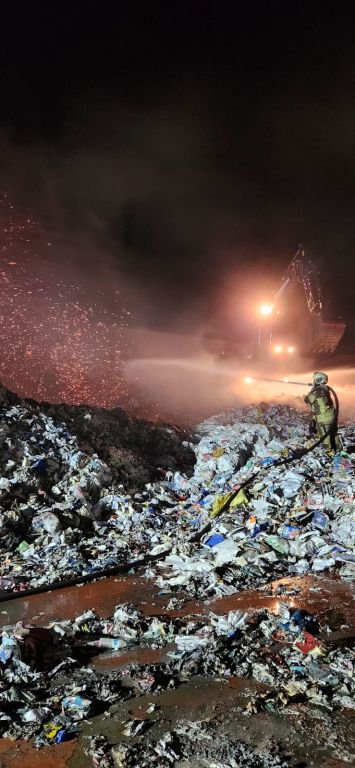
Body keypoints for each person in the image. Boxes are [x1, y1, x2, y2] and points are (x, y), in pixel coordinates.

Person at [304, 371, 341, 452]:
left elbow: (308, 400)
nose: (313, 381)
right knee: (334, 434)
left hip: (324, 419)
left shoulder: (317, 391)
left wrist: (307, 394)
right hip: (331, 416)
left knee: (325, 437)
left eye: (314, 380)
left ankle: (328, 452)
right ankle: (339, 449)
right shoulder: (325, 389)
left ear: (318, 380)